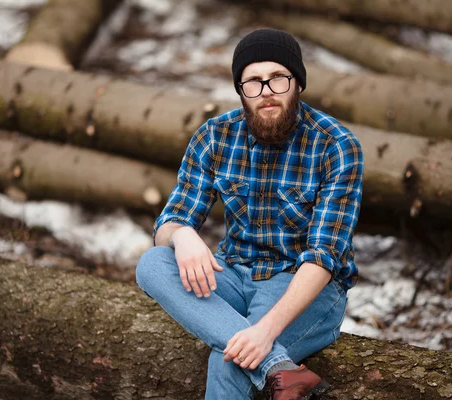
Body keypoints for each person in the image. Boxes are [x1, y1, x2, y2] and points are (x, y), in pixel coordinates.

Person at [136, 28, 364, 400]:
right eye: (253, 82)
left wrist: (265, 332)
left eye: (278, 78)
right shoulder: (214, 136)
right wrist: (183, 235)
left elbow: (324, 258)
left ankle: (262, 353)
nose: (267, 92)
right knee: (153, 263)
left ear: (298, 84)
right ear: (241, 90)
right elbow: (171, 221)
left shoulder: (336, 146)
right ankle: (280, 369)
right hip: (234, 272)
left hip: (303, 283)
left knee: (230, 361)